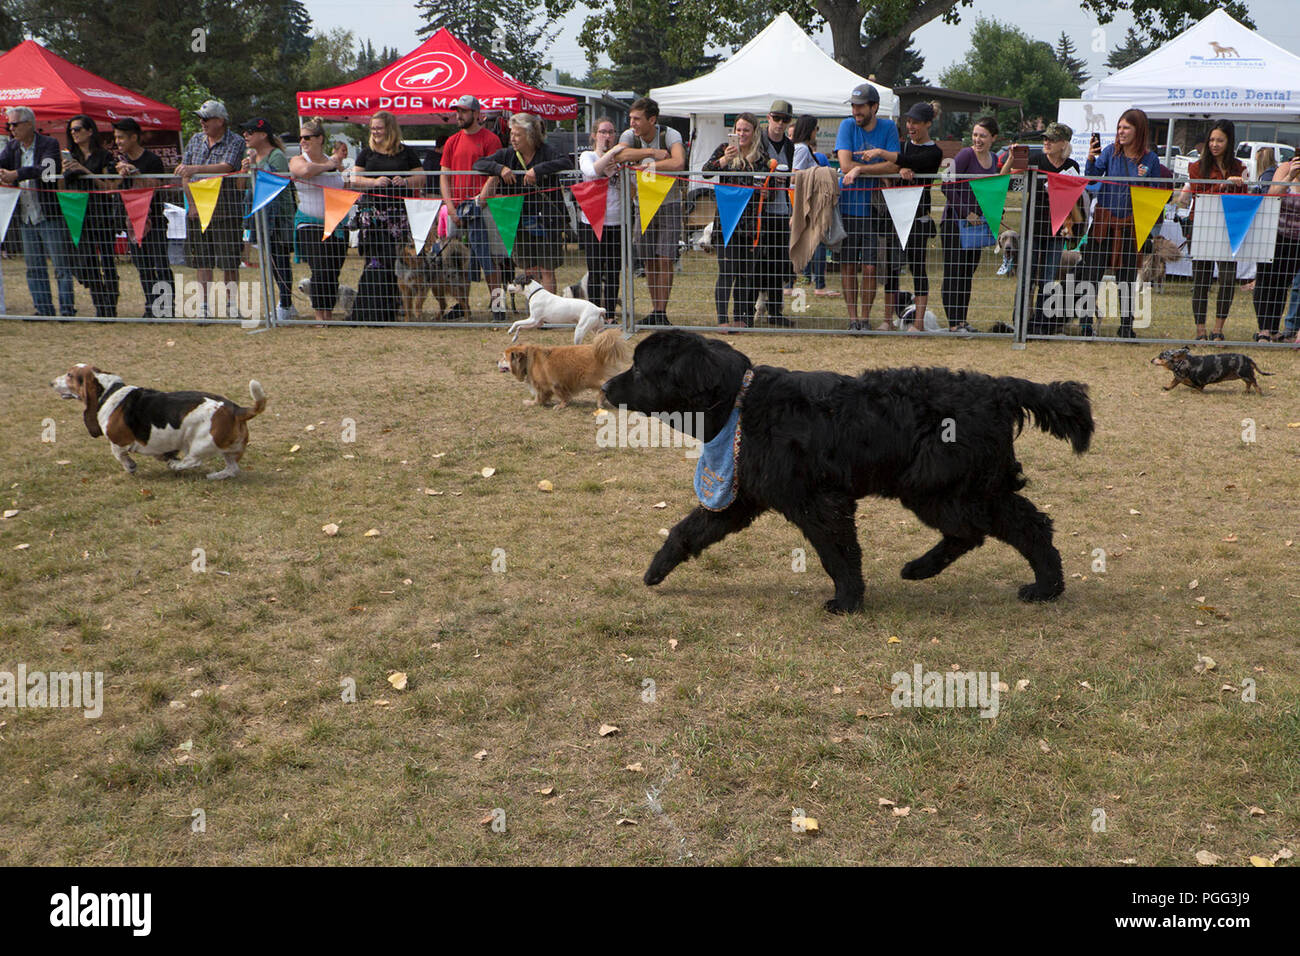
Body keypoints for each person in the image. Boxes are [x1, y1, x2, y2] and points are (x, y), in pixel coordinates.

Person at [857, 101, 944, 332]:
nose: (910, 126)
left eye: (916, 122)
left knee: (918, 267)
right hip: (893, 212)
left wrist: (883, 154)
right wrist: (897, 169)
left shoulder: (935, 152)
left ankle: (918, 324)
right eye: (908, 121)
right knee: (892, 267)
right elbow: (895, 165)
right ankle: (887, 320)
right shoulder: (902, 147)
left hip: (917, 216)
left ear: (928, 123)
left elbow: (911, 163)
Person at [473, 112, 572, 294]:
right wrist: (499, 168)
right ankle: (534, 311)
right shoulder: (507, 154)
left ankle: (549, 316)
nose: (513, 138)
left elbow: (566, 161)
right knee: (529, 270)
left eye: (517, 134)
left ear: (530, 135)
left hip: (547, 221)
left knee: (547, 269)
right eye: (512, 134)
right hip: (519, 220)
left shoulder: (546, 151)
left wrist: (538, 170)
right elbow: (478, 164)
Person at [1084, 108, 1160, 338]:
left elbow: (1155, 192)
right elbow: (1092, 178)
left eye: (1126, 127)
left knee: (1126, 277)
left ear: (1139, 130)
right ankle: (1086, 323)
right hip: (1104, 223)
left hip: (1130, 226)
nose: (1121, 132)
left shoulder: (1150, 159)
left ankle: (1126, 326)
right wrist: (1090, 157)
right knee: (1091, 274)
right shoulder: (1110, 152)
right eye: (1119, 127)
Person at [0, 106, 77, 317]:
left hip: (49, 215)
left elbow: (48, 170)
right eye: (9, 125)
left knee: (61, 266)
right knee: (34, 267)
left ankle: (67, 309)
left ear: (29, 124)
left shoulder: (49, 144)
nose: (11, 129)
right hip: (26, 217)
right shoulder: (12, 147)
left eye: (14, 124)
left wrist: (16, 174)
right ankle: (43, 309)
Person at [617, 97, 686, 326]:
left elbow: (678, 163)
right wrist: (653, 153)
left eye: (637, 119)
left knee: (665, 258)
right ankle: (655, 310)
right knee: (648, 258)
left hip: (669, 204)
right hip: (642, 206)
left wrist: (648, 166)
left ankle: (661, 311)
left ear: (652, 120)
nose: (632, 123)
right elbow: (619, 155)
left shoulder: (671, 134)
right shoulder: (629, 136)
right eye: (630, 118)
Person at [836, 83, 899, 331]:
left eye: (860, 106)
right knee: (849, 265)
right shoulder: (846, 126)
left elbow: (895, 166)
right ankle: (853, 320)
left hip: (877, 210)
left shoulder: (888, 127)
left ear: (874, 107)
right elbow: (844, 163)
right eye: (853, 106)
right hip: (848, 207)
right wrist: (874, 168)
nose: (855, 111)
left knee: (871, 267)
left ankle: (865, 319)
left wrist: (860, 168)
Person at [175, 100, 246, 319]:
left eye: (206, 119)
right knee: (202, 260)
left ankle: (232, 305)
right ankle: (203, 307)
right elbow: (184, 174)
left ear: (220, 121)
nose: (201, 123)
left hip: (226, 208)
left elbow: (227, 166)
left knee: (229, 261)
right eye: (200, 119)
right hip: (197, 208)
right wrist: (192, 204)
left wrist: (196, 168)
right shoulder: (195, 140)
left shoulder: (235, 141)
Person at [352, 110, 425, 322]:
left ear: (390, 129)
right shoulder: (366, 153)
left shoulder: (405, 153)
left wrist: (406, 181)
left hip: (399, 216)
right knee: (375, 260)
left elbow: (421, 177)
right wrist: (373, 182)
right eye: (372, 128)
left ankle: (400, 305)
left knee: (399, 261)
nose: (375, 132)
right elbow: (355, 178)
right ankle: (377, 305)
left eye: (379, 128)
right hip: (373, 215)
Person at [1176, 120, 1246, 340]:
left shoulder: (1239, 166)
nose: (1215, 144)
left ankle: (1218, 330)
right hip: (1202, 225)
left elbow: (1245, 197)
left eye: (1220, 140)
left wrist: (1238, 184)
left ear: (1229, 142)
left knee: (1227, 278)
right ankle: (1200, 331)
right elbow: (1198, 190)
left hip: (1229, 227)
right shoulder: (1197, 167)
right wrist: (1224, 184)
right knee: (1201, 279)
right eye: (1212, 140)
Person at [441, 96, 509, 322]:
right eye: (457, 111)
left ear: (477, 114)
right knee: (458, 260)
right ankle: (463, 306)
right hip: (458, 208)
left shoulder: (490, 139)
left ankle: (498, 305)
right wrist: (450, 206)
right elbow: (444, 175)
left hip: (484, 207)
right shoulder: (452, 141)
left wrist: (479, 201)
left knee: (490, 259)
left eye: (464, 111)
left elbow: (494, 175)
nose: (459, 115)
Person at [1010, 122, 1082, 334]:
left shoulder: (1072, 167)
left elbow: (1073, 202)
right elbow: (1012, 176)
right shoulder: (1036, 160)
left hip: (1057, 230)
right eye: (1045, 139)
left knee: (1048, 279)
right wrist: (1012, 158)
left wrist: (1069, 226)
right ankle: (1020, 321)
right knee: (1027, 277)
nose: (1046, 142)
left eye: (1051, 139)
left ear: (1063, 143)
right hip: (1032, 227)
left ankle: (1041, 323)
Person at [940, 116, 1001, 334]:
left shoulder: (994, 159)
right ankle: (954, 323)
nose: (977, 139)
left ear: (993, 138)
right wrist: (967, 213)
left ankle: (962, 320)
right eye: (975, 135)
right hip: (954, 223)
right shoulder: (966, 154)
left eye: (983, 136)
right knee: (954, 272)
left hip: (977, 227)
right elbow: (946, 185)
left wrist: (994, 211)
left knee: (967, 272)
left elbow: (993, 189)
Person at [703, 113, 764, 328]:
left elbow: (769, 189)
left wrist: (762, 188)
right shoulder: (723, 149)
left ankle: (740, 318)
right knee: (727, 271)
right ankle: (722, 320)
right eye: (738, 129)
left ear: (754, 132)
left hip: (750, 225)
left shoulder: (760, 157)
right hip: (725, 222)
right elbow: (705, 172)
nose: (741, 134)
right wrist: (724, 160)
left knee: (744, 273)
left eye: (746, 130)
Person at [113, 118, 174, 318]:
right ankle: (151, 307)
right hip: (131, 223)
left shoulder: (152, 160)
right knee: (143, 266)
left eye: (121, 137)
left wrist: (136, 173)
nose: (118, 141)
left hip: (153, 221)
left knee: (160, 264)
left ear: (134, 137)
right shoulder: (118, 162)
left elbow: (156, 186)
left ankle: (166, 308)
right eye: (116, 137)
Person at [290, 117, 349, 322]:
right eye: (301, 138)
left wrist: (375, 183)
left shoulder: (333, 162)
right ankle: (319, 315)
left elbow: (347, 182)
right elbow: (304, 172)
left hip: (337, 223)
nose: (303, 141)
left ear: (319, 139)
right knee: (320, 268)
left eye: (307, 137)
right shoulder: (298, 160)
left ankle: (328, 313)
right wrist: (330, 164)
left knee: (333, 270)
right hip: (310, 223)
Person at [61, 114, 119, 317]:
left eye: (77, 129)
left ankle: (109, 308)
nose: (74, 133)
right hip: (78, 214)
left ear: (90, 131)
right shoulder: (70, 156)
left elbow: (108, 186)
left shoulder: (104, 156)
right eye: (71, 130)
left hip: (101, 214)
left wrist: (84, 170)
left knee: (107, 260)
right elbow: (62, 186)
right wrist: (65, 170)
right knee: (85, 262)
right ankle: (100, 301)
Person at [240, 118, 296, 323]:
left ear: (263, 135)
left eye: (250, 131)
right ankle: (285, 302)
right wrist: (249, 167)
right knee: (273, 262)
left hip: (278, 217)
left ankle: (286, 305)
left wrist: (255, 166)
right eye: (245, 132)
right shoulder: (255, 156)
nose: (246, 135)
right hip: (262, 217)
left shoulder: (277, 155)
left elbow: (276, 183)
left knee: (280, 262)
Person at [577, 117, 628, 317]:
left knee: (614, 269)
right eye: (603, 132)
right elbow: (592, 171)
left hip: (616, 220)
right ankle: (594, 313)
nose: (607, 136)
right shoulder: (587, 155)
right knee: (595, 270)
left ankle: (610, 314)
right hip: (592, 220)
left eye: (611, 132)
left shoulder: (621, 158)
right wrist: (613, 153)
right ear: (594, 135)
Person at [751, 99, 795, 327]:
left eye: (784, 119)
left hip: (780, 210)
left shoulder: (789, 146)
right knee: (757, 260)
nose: (779, 123)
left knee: (779, 262)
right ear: (768, 118)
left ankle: (775, 312)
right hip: (760, 210)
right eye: (776, 118)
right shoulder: (758, 141)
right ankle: (750, 309)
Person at [1252, 158, 1300, 342]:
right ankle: (1263, 329)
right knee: (1265, 280)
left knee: (1282, 284)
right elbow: (1272, 194)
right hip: (1274, 235)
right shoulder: (1285, 169)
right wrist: (1290, 176)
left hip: (1296, 240)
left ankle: (1273, 328)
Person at [790, 114, 835, 297]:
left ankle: (807, 282)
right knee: (816, 242)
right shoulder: (802, 149)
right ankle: (817, 285)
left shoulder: (804, 149)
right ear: (810, 130)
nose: (817, 132)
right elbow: (795, 176)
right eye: (816, 128)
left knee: (812, 242)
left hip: (807, 201)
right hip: (804, 202)